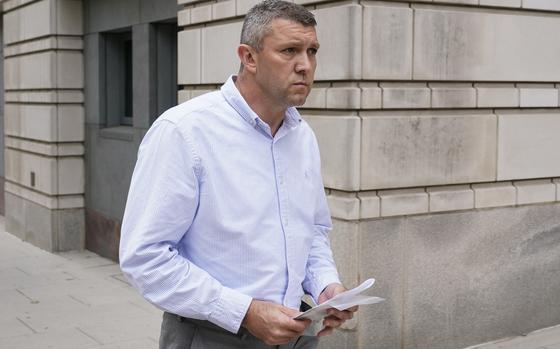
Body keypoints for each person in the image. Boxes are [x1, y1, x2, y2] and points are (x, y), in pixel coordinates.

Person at [119, 0, 357, 348]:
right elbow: (145, 257)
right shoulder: (183, 131)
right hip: (212, 335)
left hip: (298, 333)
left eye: (312, 51)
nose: (305, 65)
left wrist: (325, 286)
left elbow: (313, 230)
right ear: (249, 57)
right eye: (289, 50)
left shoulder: (301, 136)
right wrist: (244, 311)